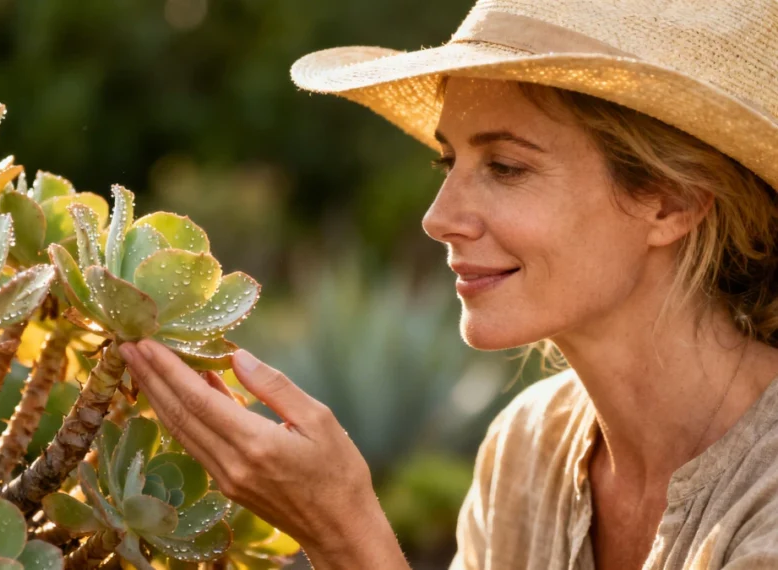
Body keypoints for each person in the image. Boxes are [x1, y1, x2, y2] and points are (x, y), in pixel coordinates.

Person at [118, 0, 778, 568]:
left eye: (507, 167)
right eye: (448, 160)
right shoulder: (529, 447)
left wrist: (344, 531)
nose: (437, 218)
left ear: (671, 202)